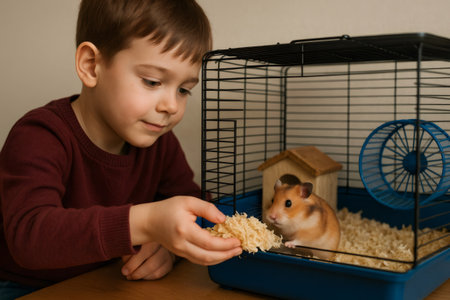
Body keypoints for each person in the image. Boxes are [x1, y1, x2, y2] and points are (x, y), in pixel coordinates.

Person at [0, 0, 242, 298]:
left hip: (108, 280)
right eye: (152, 81)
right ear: (91, 66)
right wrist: (150, 223)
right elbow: (30, 237)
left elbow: (190, 204)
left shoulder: (159, 142)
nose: (171, 106)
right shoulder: (40, 135)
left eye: (183, 89)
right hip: (22, 287)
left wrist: (169, 247)